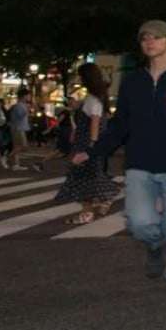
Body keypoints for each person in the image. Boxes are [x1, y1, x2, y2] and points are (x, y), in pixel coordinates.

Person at [73, 20, 166, 293]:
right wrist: (92, 151)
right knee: (139, 224)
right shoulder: (132, 83)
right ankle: (154, 246)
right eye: (145, 37)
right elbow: (121, 125)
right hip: (140, 164)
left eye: (157, 37)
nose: (149, 42)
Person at [57, 63, 121, 225]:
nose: (78, 79)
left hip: (86, 143)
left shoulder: (93, 99)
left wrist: (91, 145)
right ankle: (101, 201)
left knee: (81, 177)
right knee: (90, 176)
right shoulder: (95, 98)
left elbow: (95, 122)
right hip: (87, 142)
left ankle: (96, 204)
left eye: (80, 75)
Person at [5, 87, 34, 170]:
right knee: (24, 146)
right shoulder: (19, 105)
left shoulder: (21, 105)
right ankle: (8, 156)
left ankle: (16, 165)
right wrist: (27, 110)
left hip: (17, 127)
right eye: (28, 95)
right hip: (18, 128)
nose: (29, 97)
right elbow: (20, 116)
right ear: (23, 96)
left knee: (16, 146)